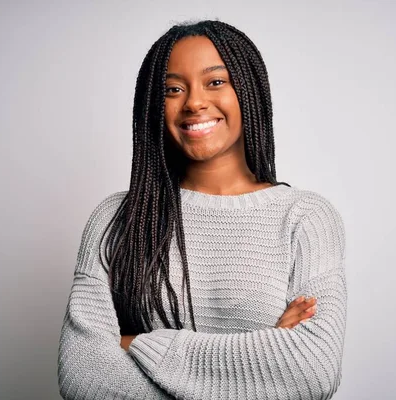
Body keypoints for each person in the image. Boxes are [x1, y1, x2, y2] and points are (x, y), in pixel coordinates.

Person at [58, 20, 347, 400]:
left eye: (215, 82)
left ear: (248, 90)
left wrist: (135, 344)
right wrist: (267, 353)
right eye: (173, 89)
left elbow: (311, 371)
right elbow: (83, 376)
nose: (193, 102)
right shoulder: (117, 218)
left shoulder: (305, 218)